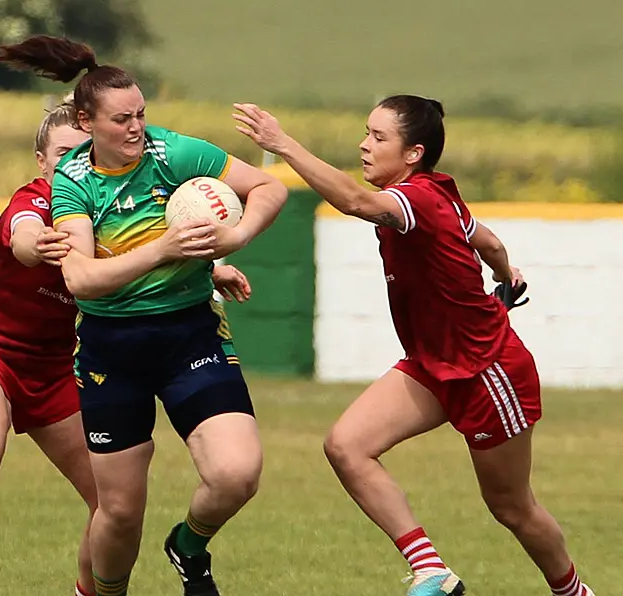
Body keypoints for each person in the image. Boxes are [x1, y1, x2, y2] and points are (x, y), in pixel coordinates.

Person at [0, 97, 253, 596]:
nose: (74, 163)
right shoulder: (35, 203)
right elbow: (22, 237)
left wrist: (212, 269)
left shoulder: (104, 204)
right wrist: (36, 243)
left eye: (82, 152)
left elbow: (134, 257)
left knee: (112, 504)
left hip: (60, 367)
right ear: (41, 160)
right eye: (62, 153)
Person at [233, 96, 594, 596]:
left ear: (413, 154)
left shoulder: (417, 198)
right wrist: (504, 274)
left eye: (379, 138)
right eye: (367, 132)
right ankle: (432, 571)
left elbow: (356, 202)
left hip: (487, 371)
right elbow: (485, 240)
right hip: (432, 363)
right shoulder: (438, 195)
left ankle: (573, 591)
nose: (364, 144)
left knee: (511, 507)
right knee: (347, 445)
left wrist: (283, 144)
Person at [0, 35, 288, 596]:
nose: (136, 129)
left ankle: (189, 543)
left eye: (141, 115)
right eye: (122, 119)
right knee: (120, 513)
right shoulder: (75, 183)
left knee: (236, 474)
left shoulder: (174, 153)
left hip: (189, 333)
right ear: (87, 121)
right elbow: (79, 279)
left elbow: (269, 186)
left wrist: (236, 234)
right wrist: (165, 249)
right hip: (112, 349)